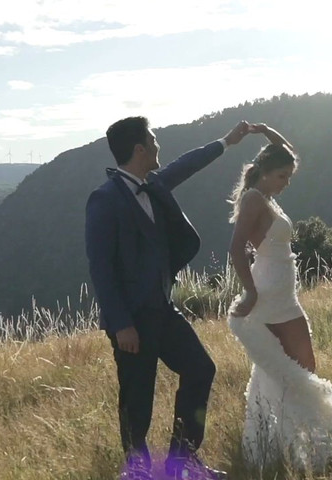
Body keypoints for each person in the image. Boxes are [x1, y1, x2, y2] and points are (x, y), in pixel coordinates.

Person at [226, 123, 332, 472]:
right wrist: (250, 291)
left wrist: (263, 130)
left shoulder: (264, 194)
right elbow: (235, 248)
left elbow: (286, 150)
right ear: (264, 172)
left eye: (288, 176)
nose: (286, 182)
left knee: (286, 373)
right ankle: (308, 442)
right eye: (281, 176)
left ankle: (286, 440)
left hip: (280, 292)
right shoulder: (254, 199)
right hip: (273, 295)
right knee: (303, 372)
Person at [86, 116, 249, 480]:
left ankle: (182, 462)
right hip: (131, 320)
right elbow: (101, 268)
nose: (159, 145)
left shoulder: (154, 184)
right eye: (154, 139)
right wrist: (122, 323)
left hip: (162, 308)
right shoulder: (104, 199)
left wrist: (226, 142)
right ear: (140, 148)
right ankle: (138, 470)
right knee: (137, 399)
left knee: (200, 369)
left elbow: (185, 165)